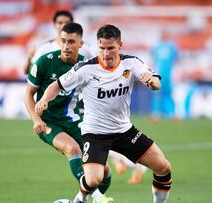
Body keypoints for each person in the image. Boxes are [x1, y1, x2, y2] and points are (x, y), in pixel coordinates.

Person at [36, 24, 172, 203]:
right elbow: (56, 86)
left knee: (163, 168)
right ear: (97, 45)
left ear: (120, 45)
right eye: (102, 48)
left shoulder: (131, 63)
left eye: (111, 48)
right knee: (94, 179)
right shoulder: (85, 69)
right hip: (95, 135)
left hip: (124, 131)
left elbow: (155, 82)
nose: (106, 53)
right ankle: (80, 199)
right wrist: (44, 100)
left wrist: (152, 81)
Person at [24, 22, 112, 203]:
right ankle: (97, 197)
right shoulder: (44, 62)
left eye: (71, 42)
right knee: (73, 149)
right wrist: (35, 119)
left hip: (73, 120)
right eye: (62, 41)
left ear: (81, 44)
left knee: (104, 171)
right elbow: (28, 95)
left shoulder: (85, 66)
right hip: (47, 122)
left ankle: (79, 200)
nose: (66, 46)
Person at [24, 10, 95, 75]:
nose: (63, 25)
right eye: (60, 23)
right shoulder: (45, 48)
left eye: (67, 22)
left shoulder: (86, 48)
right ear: (54, 25)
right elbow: (28, 72)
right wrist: (29, 57)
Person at [150, 30, 178, 122]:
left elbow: (175, 59)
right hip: (159, 75)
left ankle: (172, 114)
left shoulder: (172, 46)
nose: (164, 35)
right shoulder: (156, 46)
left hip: (169, 75)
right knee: (157, 94)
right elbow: (153, 60)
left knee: (169, 94)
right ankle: (155, 114)